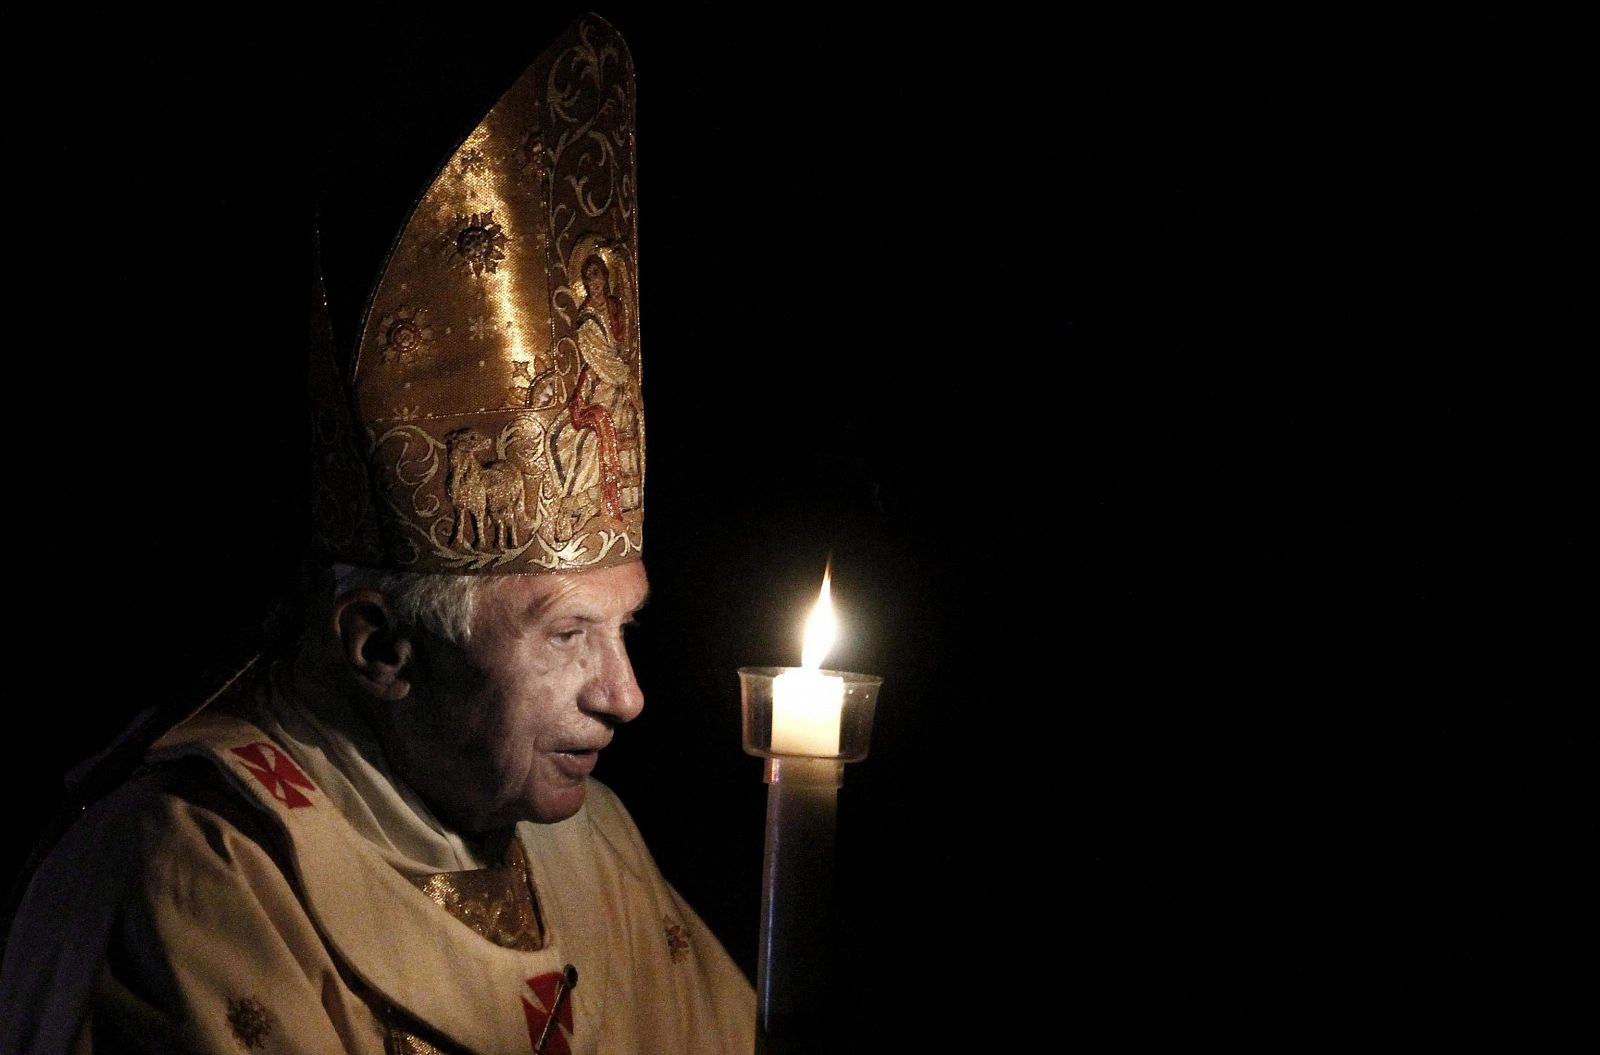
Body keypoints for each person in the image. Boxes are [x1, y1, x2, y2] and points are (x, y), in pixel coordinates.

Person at [0, 15, 754, 1054]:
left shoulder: (593, 842)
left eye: (622, 629)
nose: (623, 694)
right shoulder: (199, 868)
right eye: (567, 634)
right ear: (380, 646)